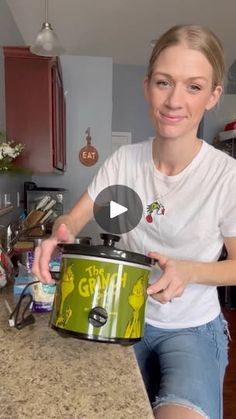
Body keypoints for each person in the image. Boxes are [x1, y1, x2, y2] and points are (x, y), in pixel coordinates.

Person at [32, 24, 236, 419]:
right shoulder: (125, 162)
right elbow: (73, 221)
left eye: (193, 87)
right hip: (122, 315)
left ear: (213, 96)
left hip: (193, 328)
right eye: (164, 82)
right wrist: (58, 234)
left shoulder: (227, 177)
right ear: (147, 86)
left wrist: (189, 272)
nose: (174, 100)